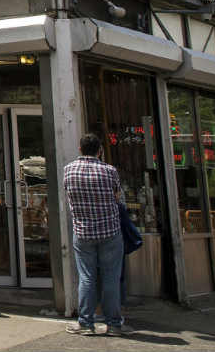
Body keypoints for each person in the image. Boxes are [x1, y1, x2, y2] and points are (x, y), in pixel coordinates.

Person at [64, 133, 130, 337]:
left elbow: (68, 196)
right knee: (111, 278)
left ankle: (85, 323)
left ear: (80, 149)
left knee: (87, 277)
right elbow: (118, 197)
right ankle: (114, 324)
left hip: (83, 232)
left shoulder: (69, 170)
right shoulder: (109, 171)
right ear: (100, 150)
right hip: (109, 231)